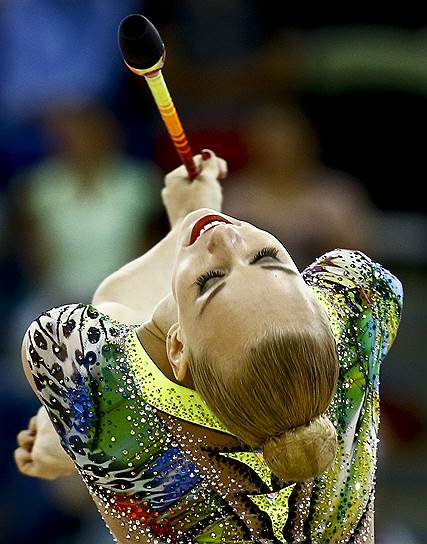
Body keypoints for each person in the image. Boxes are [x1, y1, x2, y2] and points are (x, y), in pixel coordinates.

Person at [16, 150, 402, 543]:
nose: (224, 235)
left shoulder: (94, 379)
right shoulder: (361, 304)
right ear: (322, 309)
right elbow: (132, 328)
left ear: (179, 349)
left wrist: (190, 217)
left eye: (211, 281)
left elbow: (110, 320)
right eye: (265, 257)